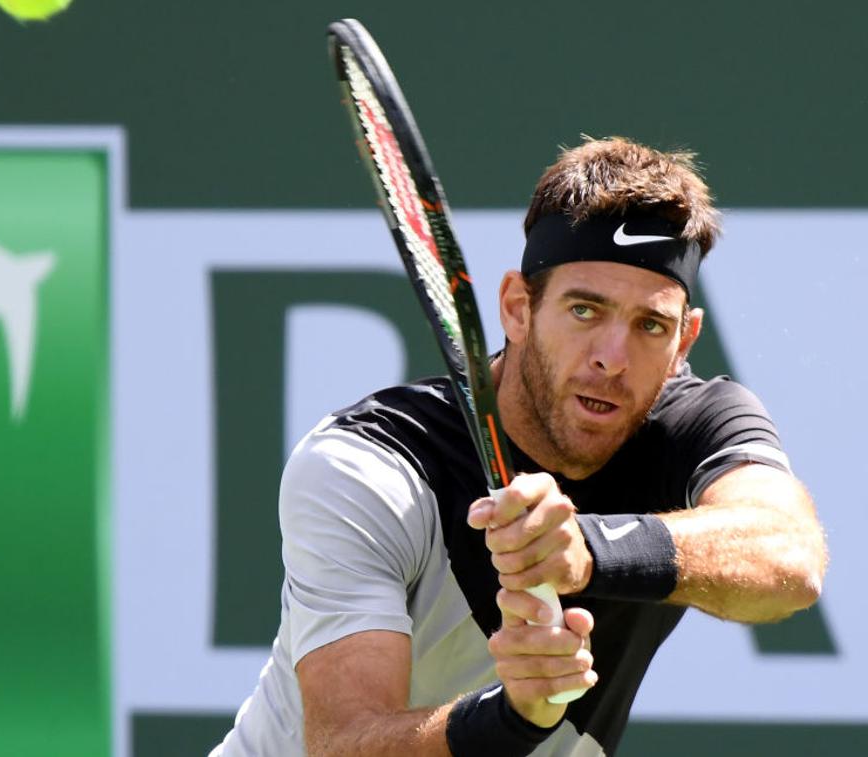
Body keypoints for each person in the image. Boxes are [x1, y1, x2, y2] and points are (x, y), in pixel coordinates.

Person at [209, 137, 828, 756]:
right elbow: (343, 744)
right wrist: (513, 717)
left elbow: (790, 558)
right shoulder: (369, 464)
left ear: (684, 340)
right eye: (585, 310)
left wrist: (588, 549)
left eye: (650, 325)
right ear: (517, 308)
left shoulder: (696, 423)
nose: (612, 358)